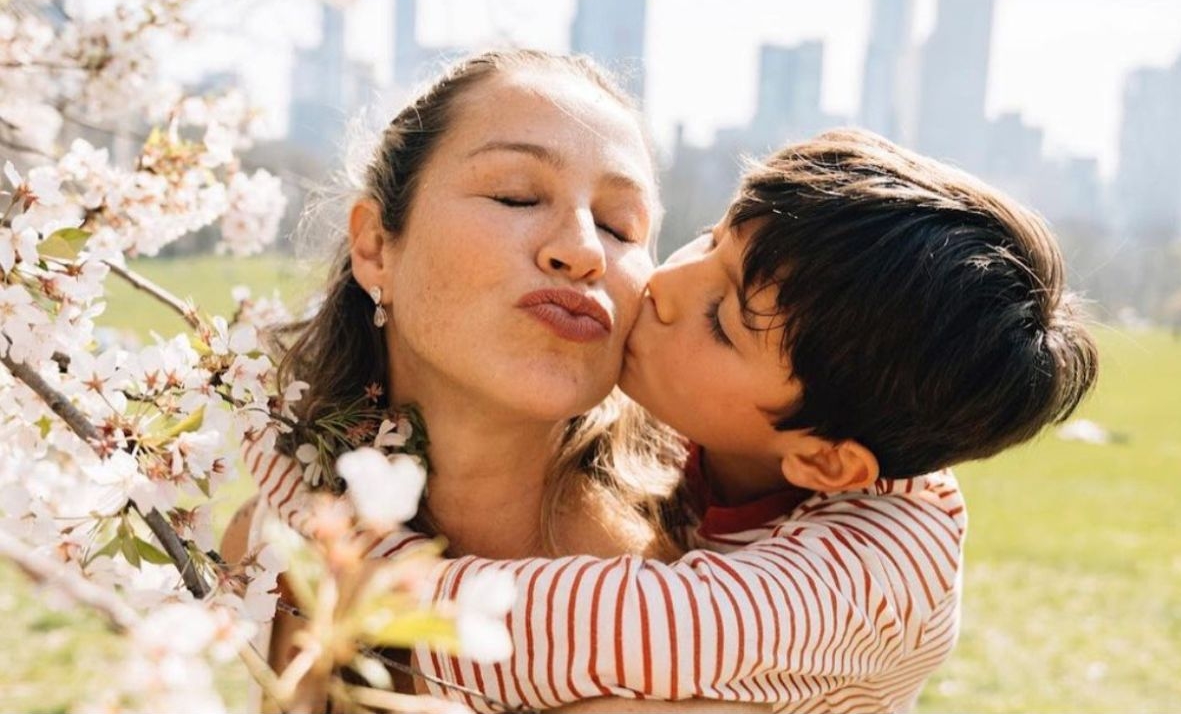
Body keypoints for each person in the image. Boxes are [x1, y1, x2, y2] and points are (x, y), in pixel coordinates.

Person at [248, 127, 1099, 713]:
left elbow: (615, 625)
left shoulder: (878, 560)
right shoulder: (736, 436)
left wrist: (355, 568)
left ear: (826, 462)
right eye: (709, 239)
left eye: (721, 322)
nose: (667, 286)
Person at [223, 48, 771, 713]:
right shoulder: (276, 545)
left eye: (618, 225)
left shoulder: (704, 576)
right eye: (517, 194)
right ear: (374, 248)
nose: (583, 249)